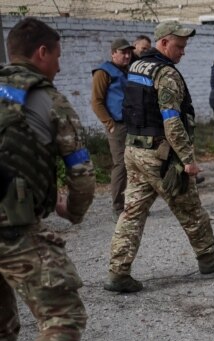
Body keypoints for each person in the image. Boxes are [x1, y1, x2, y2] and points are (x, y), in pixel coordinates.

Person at [104, 20, 214, 293]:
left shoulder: (136, 66)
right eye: (179, 46)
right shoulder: (165, 73)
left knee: (131, 213)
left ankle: (118, 272)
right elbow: (172, 121)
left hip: (134, 149)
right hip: (159, 154)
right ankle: (208, 256)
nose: (183, 52)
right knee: (189, 206)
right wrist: (188, 159)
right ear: (163, 43)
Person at [0, 17, 96, 341]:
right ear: (41, 52)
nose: (59, 65)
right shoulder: (49, 99)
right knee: (62, 318)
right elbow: (82, 174)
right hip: (14, 231)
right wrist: (72, 210)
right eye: (57, 56)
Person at [91, 38, 133, 222]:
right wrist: (110, 123)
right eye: (123, 52)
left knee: (136, 164)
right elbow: (96, 102)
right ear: (113, 53)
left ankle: (133, 205)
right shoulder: (103, 72)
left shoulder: (129, 70)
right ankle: (117, 206)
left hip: (133, 124)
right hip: (117, 125)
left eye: (129, 52)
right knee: (121, 165)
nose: (127, 55)